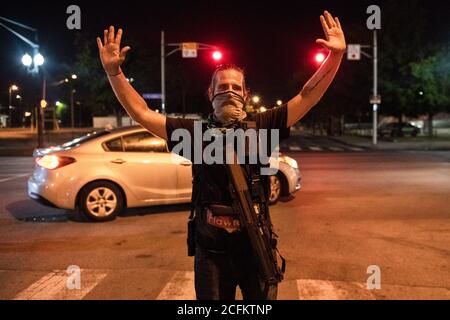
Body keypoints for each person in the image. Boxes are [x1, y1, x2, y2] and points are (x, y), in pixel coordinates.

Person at [97, 10, 346, 300]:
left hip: (255, 248)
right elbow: (140, 112)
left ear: (245, 93)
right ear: (210, 93)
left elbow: (308, 96)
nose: (229, 93)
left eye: (235, 87)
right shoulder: (194, 134)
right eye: (222, 87)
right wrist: (114, 73)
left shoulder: (262, 127)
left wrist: (336, 57)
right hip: (211, 253)